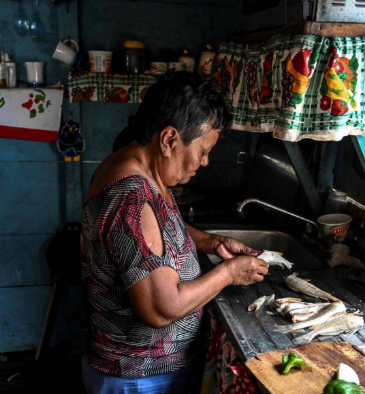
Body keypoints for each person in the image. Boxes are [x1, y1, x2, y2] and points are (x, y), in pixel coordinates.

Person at [81, 71, 269, 394]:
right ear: (169, 140)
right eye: (203, 150)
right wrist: (228, 273)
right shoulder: (130, 198)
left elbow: (161, 230)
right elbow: (160, 308)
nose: (206, 161)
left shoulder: (139, 165)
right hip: (139, 378)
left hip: (151, 372)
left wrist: (211, 241)